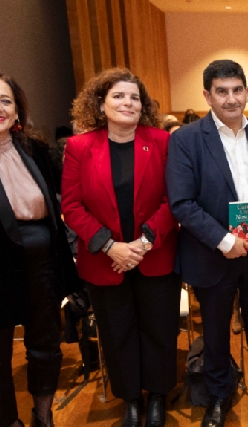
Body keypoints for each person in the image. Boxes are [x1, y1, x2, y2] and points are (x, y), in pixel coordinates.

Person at [0, 72, 79, 427]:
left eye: (6, 101)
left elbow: (59, 206)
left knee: (46, 350)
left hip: (43, 273)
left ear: (17, 111)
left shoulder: (35, 150)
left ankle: (42, 415)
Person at [166, 59, 248, 427]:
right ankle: (219, 393)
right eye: (222, 91)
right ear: (207, 95)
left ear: (246, 92)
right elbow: (181, 203)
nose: (231, 99)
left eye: (237, 90)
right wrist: (222, 239)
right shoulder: (186, 139)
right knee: (216, 330)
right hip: (212, 253)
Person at [61, 68, 181, 427]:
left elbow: (173, 198)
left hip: (155, 253)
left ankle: (157, 396)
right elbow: (71, 206)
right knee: (117, 332)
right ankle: (130, 398)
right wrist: (111, 246)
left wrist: (142, 243)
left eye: (134, 97)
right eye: (118, 96)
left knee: (160, 328)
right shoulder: (79, 146)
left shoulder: (162, 141)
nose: (127, 102)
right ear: (100, 103)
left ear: (142, 105)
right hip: (104, 260)